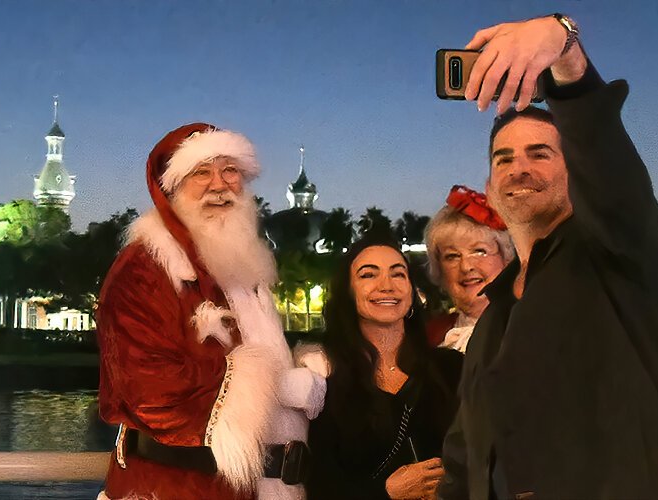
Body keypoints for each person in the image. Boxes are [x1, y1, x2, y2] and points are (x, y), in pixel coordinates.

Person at [437, 14, 658, 499]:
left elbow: (608, 161)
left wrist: (564, 49)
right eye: (504, 159)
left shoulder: (617, 257)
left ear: (575, 171)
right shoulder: (491, 318)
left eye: (540, 154)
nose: (520, 169)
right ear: (490, 191)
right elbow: (463, 462)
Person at [96, 123, 325, 500]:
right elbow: (148, 389)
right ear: (171, 187)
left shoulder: (241, 263)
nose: (219, 185)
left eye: (230, 171)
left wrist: (301, 367)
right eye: (201, 172)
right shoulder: (145, 269)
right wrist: (279, 386)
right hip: (178, 489)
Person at [299, 235, 462, 499]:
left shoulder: (451, 369)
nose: (386, 286)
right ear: (348, 292)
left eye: (398, 274)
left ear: (411, 290)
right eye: (368, 275)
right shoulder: (322, 380)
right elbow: (319, 485)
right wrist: (387, 492)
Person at [422, 186, 514, 353]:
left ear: (506, 259)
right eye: (452, 256)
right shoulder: (426, 337)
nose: (466, 266)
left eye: (479, 251)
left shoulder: (535, 329)